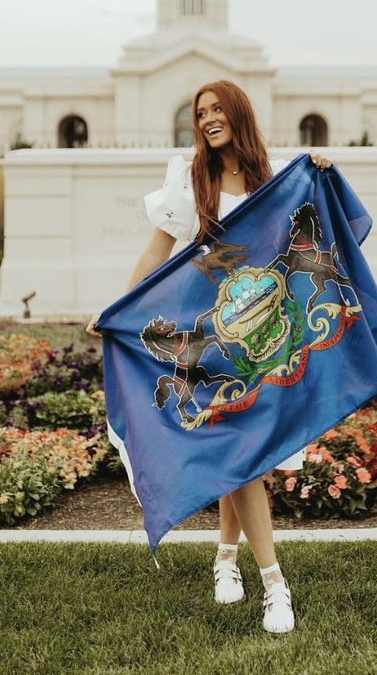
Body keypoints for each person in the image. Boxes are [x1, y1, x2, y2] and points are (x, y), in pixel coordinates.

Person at [87, 79, 332, 635]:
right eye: (201, 112)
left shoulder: (273, 180)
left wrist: (317, 166)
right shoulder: (189, 178)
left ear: (237, 114)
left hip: (264, 336)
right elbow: (157, 251)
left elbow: (309, 228)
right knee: (240, 455)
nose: (209, 119)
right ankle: (275, 585)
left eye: (218, 109)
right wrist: (118, 308)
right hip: (211, 338)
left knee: (246, 459)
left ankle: (225, 561)